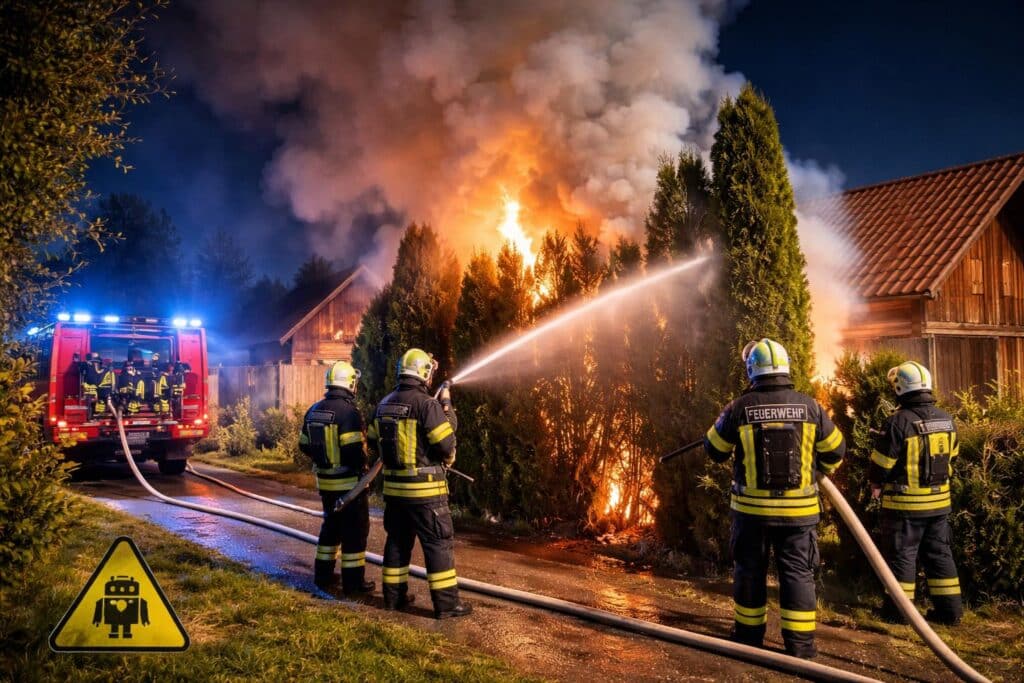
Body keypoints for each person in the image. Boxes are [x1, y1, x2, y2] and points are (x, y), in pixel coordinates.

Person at [703, 338, 845, 659]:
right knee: (797, 573)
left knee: (750, 571)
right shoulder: (810, 407)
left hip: (751, 514)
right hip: (799, 515)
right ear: (785, 367)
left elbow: (714, 450)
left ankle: (749, 639)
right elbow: (836, 450)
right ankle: (801, 647)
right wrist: (821, 468)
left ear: (752, 370)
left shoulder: (739, 408)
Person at [367, 348, 471, 619]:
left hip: (394, 492)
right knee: (438, 544)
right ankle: (447, 605)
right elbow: (446, 443)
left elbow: (372, 440)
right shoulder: (427, 404)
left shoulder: (384, 404)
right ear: (424, 372)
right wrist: (447, 409)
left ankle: (393, 598)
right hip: (426, 493)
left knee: (398, 543)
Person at [869, 361, 962, 625]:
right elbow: (952, 457)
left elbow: (882, 464)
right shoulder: (947, 419)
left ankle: (899, 613)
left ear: (900, 388)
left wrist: (875, 483)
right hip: (939, 504)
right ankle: (950, 612)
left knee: (902, 557)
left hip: (905, 506)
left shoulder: (898, 422)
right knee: (940, 556)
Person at [299, 360, 374, 595]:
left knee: (330, 529)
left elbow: (303, 445)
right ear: (350, 383)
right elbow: (352, 451)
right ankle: (354, 584)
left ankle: (323, 576)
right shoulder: (349, 412)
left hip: (326, 484)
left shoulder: (314, 409)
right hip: (349, 487)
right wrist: (363, 469)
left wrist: (325, 461)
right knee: (354, 534)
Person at [80, 352, 114, 417]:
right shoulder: (87, 366)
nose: (95, 362)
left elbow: (108, 381)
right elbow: (81, 371)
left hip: (101, 390)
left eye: (96, 359)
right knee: (91, 402)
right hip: (90, 390)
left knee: (103, 402)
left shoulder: (105, 370)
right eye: (93, 359)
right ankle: (92, 414)